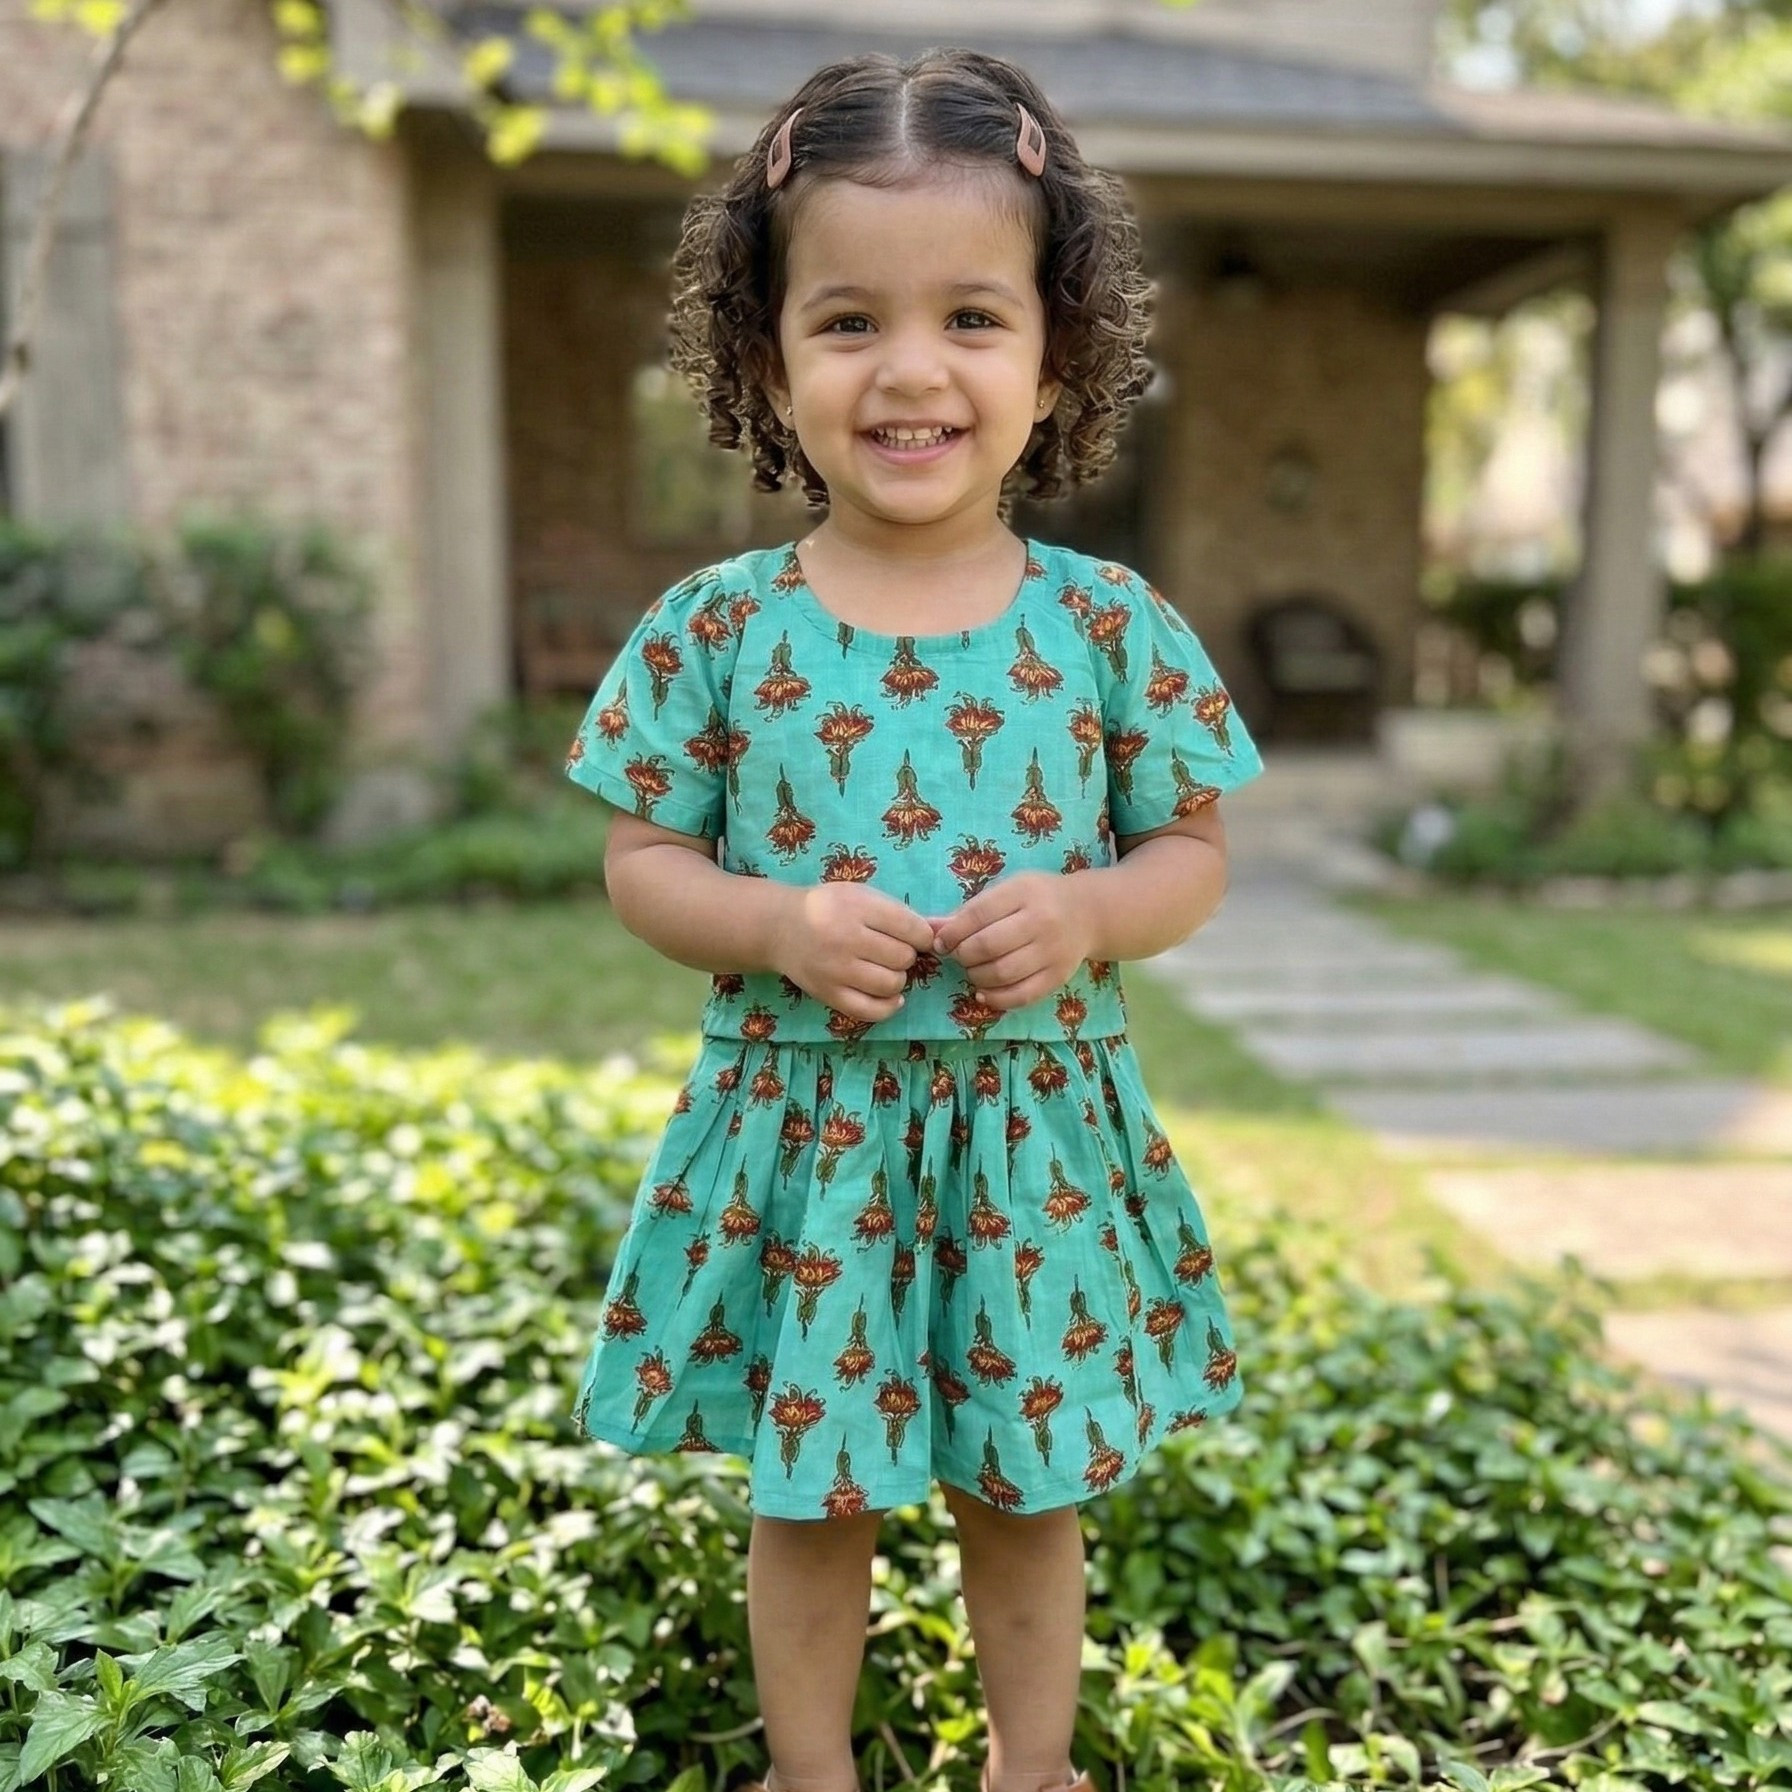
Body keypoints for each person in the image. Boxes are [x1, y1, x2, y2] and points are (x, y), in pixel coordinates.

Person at [562, 46, 1266, 1792]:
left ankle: (1034, 1772)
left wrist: (1098, 910)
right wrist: (777, 924)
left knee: (1025, 1495)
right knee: (819, 1499)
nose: (911, 371)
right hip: (816, 1142)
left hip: (1029, 1146)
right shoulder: (719, 631)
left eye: (971, 317)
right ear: (764, 354)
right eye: (847, 320)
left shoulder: (1106, 627)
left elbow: (1194, 849)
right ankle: (817, 1777)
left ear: (1056, 351)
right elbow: (644, 863)